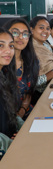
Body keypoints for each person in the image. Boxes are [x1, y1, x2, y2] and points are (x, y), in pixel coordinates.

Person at [3, 18, 39, 120]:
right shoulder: (2, 64)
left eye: (25, 34)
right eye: (15, 32)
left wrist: (22, 110)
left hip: (26, 114)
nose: (20, 37)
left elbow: (29, 92)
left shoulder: (31, 60)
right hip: (6, 122)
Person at [30, 16, 53, 105]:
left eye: (47, 28)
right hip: (40, 95)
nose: (45, 31)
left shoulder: (45, 44)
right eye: (41, 28)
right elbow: (33, 82)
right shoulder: (30, 49)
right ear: (31, 30)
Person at [0, 28, 23, 158]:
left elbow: (10, 112)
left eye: (11, 46)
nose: (8, 51)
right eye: (0, 45)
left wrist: (22, 128)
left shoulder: (4, 74)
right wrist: (10, 144)